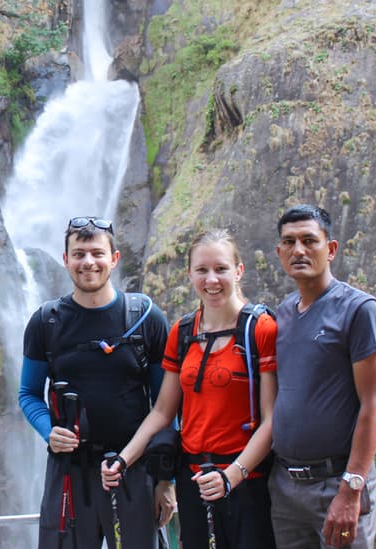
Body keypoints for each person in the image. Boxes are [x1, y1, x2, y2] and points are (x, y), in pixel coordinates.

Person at [102, 228, 278, 548]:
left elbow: (272, 419)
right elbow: (162, 411)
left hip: (247, 482)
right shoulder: (182, 332)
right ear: (189, 274)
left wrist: (232, 476)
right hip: (193, 479)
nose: (211, 280)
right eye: (202, 270)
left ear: (239, 271)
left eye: (221, 269)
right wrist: (123, 461)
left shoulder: (260, 329)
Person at [19, 216, 176, 549]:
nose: (87, 262)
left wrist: (166, 479)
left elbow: (166, 406)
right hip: (70, 471)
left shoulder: (146, 318)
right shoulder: (45, 322)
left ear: (114, 258)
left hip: (134, 468)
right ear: (65, 260)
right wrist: (49, 430)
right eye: (78, 254)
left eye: (96, 253)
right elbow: (29, 394)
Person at [270, 205, 376, 549]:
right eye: (289, 242)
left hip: (337, 482)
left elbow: (375, 403)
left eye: (310, 240)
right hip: (286, 486)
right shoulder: (284, 313)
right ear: (279, 252)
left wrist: (351, 489)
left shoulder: (358, 309)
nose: (299, 250)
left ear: (331, 248)